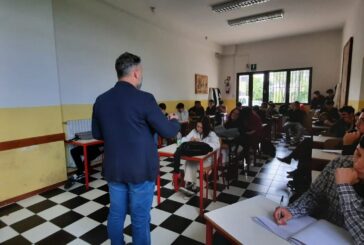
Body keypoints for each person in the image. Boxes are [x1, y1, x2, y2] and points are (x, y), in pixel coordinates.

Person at [92, 52, 180, 245]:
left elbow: (97, 134)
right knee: (139, 219)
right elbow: (166, 131)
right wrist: (175, 121)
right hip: (140, 170)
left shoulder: (101, 100)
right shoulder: (145, 99)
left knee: (116, 214)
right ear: (136, 73)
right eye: (142, 73)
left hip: (115, 169)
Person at [273, 136, 364, 245]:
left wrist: (345, 187)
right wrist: (293, 211)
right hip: (321, 233)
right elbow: (314, 195)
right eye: (358, 154)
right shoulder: (339, 164)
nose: (358, 165)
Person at [178, 116, 220, 193]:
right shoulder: (194, 131)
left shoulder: (211, 134)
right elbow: (183, 140)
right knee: (190, 161)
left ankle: (190, 184)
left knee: (190, 162)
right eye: (198, 126)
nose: (199, 129)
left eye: (201, 127)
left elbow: (216, 145)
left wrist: (201, 143)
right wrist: (189, 140)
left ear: (206, 127)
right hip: (197, 157)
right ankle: (190, 185)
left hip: (208, 159)